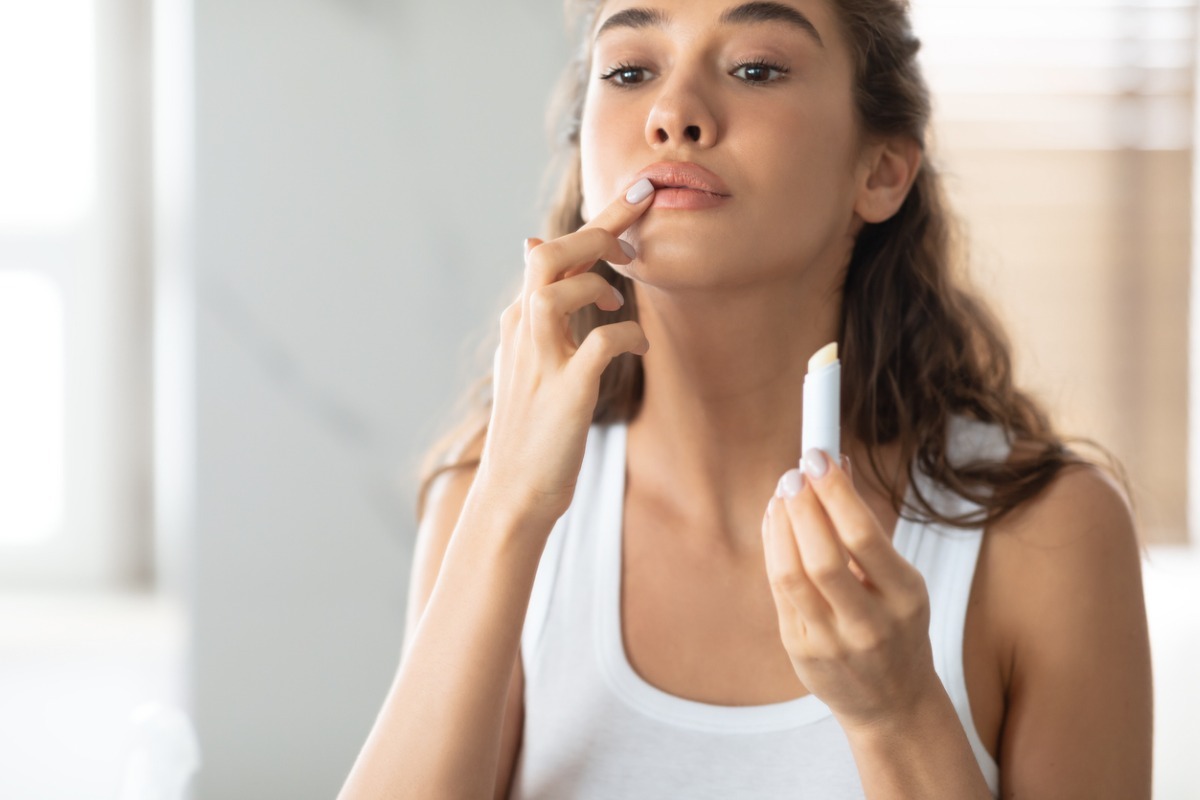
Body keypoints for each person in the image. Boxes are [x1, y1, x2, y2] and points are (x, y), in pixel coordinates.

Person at [339, 1, 1154, 798]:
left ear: (879, 171)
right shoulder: (482, 498)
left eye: (756, 68)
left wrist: (897, 715)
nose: (673, 113)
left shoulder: (1047, 536)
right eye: (629, 70)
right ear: (583, 155)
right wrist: (506, 509)